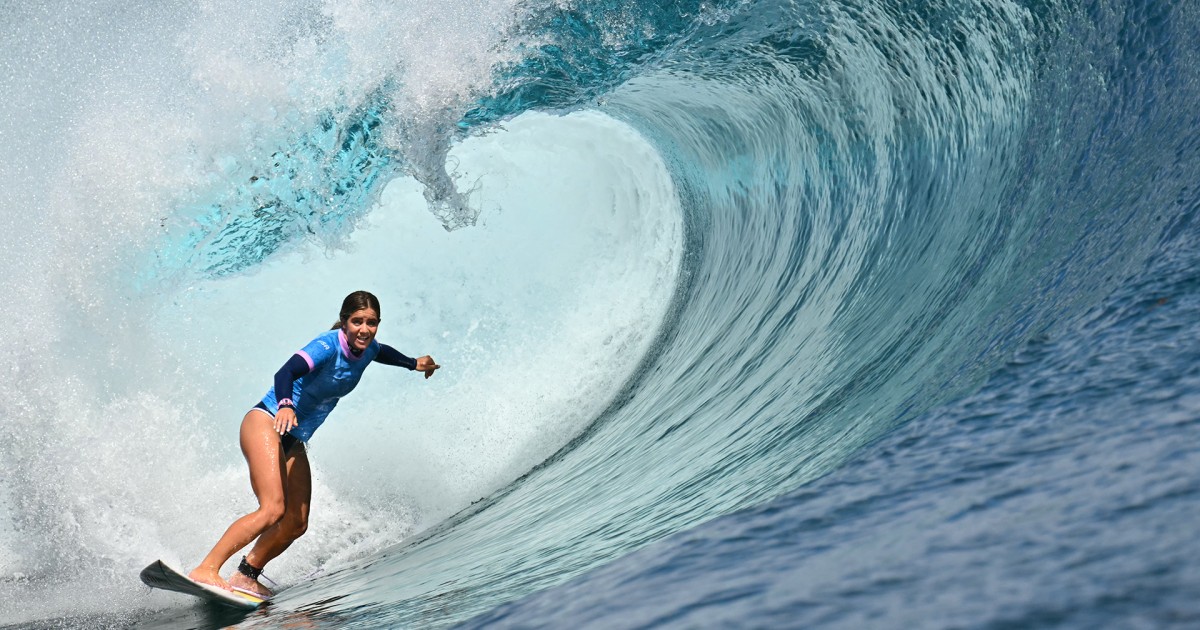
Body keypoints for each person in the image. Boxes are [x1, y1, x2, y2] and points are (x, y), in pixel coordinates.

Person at [188, 290, 439, 598]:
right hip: (266, 421)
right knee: (272, 510)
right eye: (357, 321)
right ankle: (206, 568)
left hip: (293, 440)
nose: (364, 329)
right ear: (344, 321)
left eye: (371, 322)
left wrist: (414, 363)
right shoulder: (326, 345)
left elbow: (381, 351)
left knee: (296, 522)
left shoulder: (368, 348)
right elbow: (286, 371)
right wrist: (284, 404)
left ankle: (246, 576)